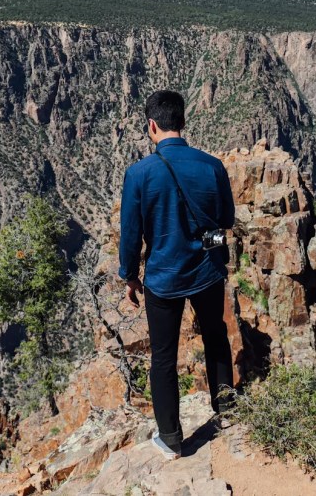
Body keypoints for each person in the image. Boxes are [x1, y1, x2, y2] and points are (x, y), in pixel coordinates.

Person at [119, 89, 236, 460]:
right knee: (216, 337)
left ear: (152, 125)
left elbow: (130, 234)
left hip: (163, 279)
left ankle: (170, 437)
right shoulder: (212, 166)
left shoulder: (138, 174)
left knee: (164, 357)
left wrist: (129, 275)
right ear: (182, 122)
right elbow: (227, 220)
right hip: (206, 271)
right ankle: (228, 412)